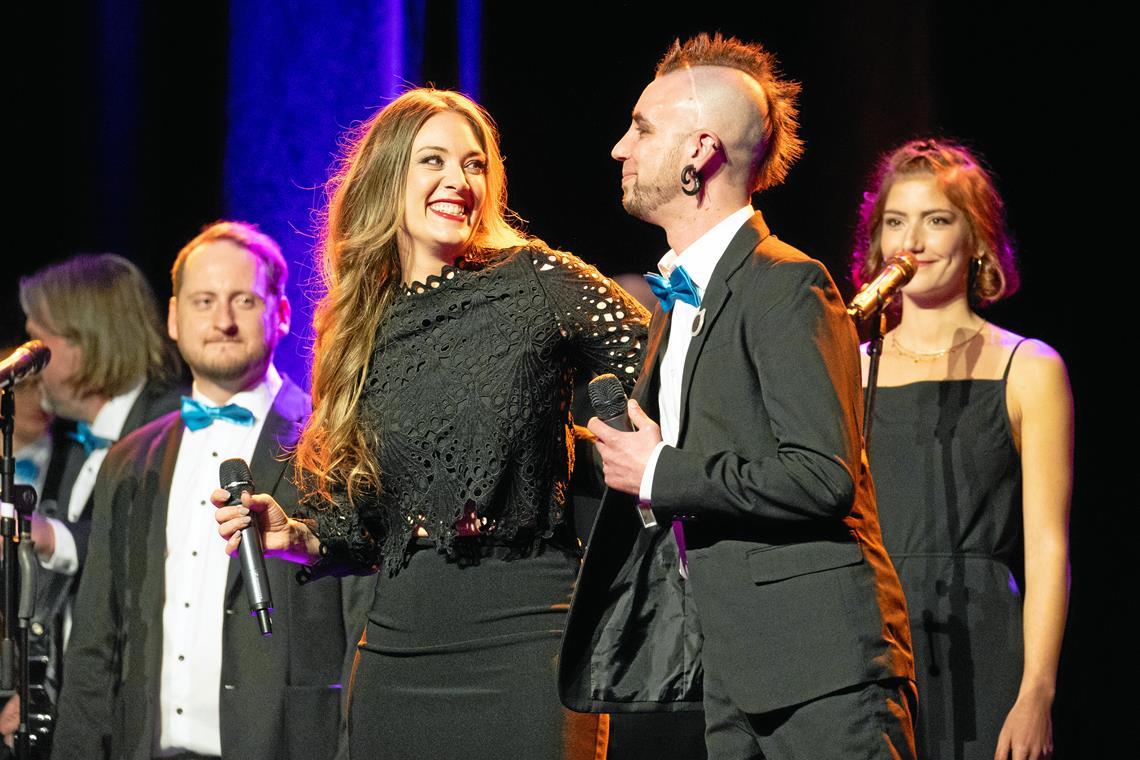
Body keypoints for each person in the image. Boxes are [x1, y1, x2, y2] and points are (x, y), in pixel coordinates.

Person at [213, 88, 648, 760]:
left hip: (528, 642)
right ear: (389, 178)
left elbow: (670, 367)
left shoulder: (538, 281)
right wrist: (295, 533)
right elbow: (362, 526)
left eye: (475, 165)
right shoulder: (360, 323)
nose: (457, 181)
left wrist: (618, 455)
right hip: (396, 650)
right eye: (433, 161)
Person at [560, 33, 916, 759]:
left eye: (642, 128)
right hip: (730, 666)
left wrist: (659, 469)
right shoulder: (676, 301)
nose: (620, 148)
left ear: (700, 152)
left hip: (821, 670)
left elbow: (822, 475)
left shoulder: (787, 283)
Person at [51, 222, 362, 760]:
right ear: (174, 318)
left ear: (281, 314)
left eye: (243, 299)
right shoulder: (130, 459)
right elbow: (95, 644)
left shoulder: (333, 445)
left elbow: (361, 628)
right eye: (204, 301)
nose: (222, 320)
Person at [850, 139, 1072, 760]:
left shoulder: (1027, 367)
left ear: (976, 240)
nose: (911, 242)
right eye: (896, 222)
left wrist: (1036, 693)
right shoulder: (850, 367)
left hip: (982, 639)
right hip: (872, 639)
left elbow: (1048, 544)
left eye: (936, 220)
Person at [15, 255, 184, 715]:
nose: (28, 365)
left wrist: (51, 535)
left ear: (83, 344)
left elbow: (154, 546)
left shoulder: (173, 423)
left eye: (37, 342)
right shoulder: (76, 447)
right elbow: (71, 605)